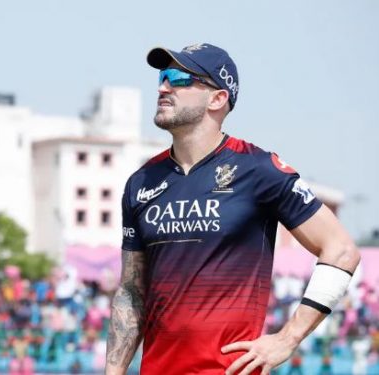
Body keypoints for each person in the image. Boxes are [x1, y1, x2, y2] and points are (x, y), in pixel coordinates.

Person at [105, 43, 360, 375]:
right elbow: (131, 291)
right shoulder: (140, 182)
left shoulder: (257, 168)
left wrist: (287, 338)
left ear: (217, 98)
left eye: (179, 78)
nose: (163, 87)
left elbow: (341, 250)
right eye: (162, 76)